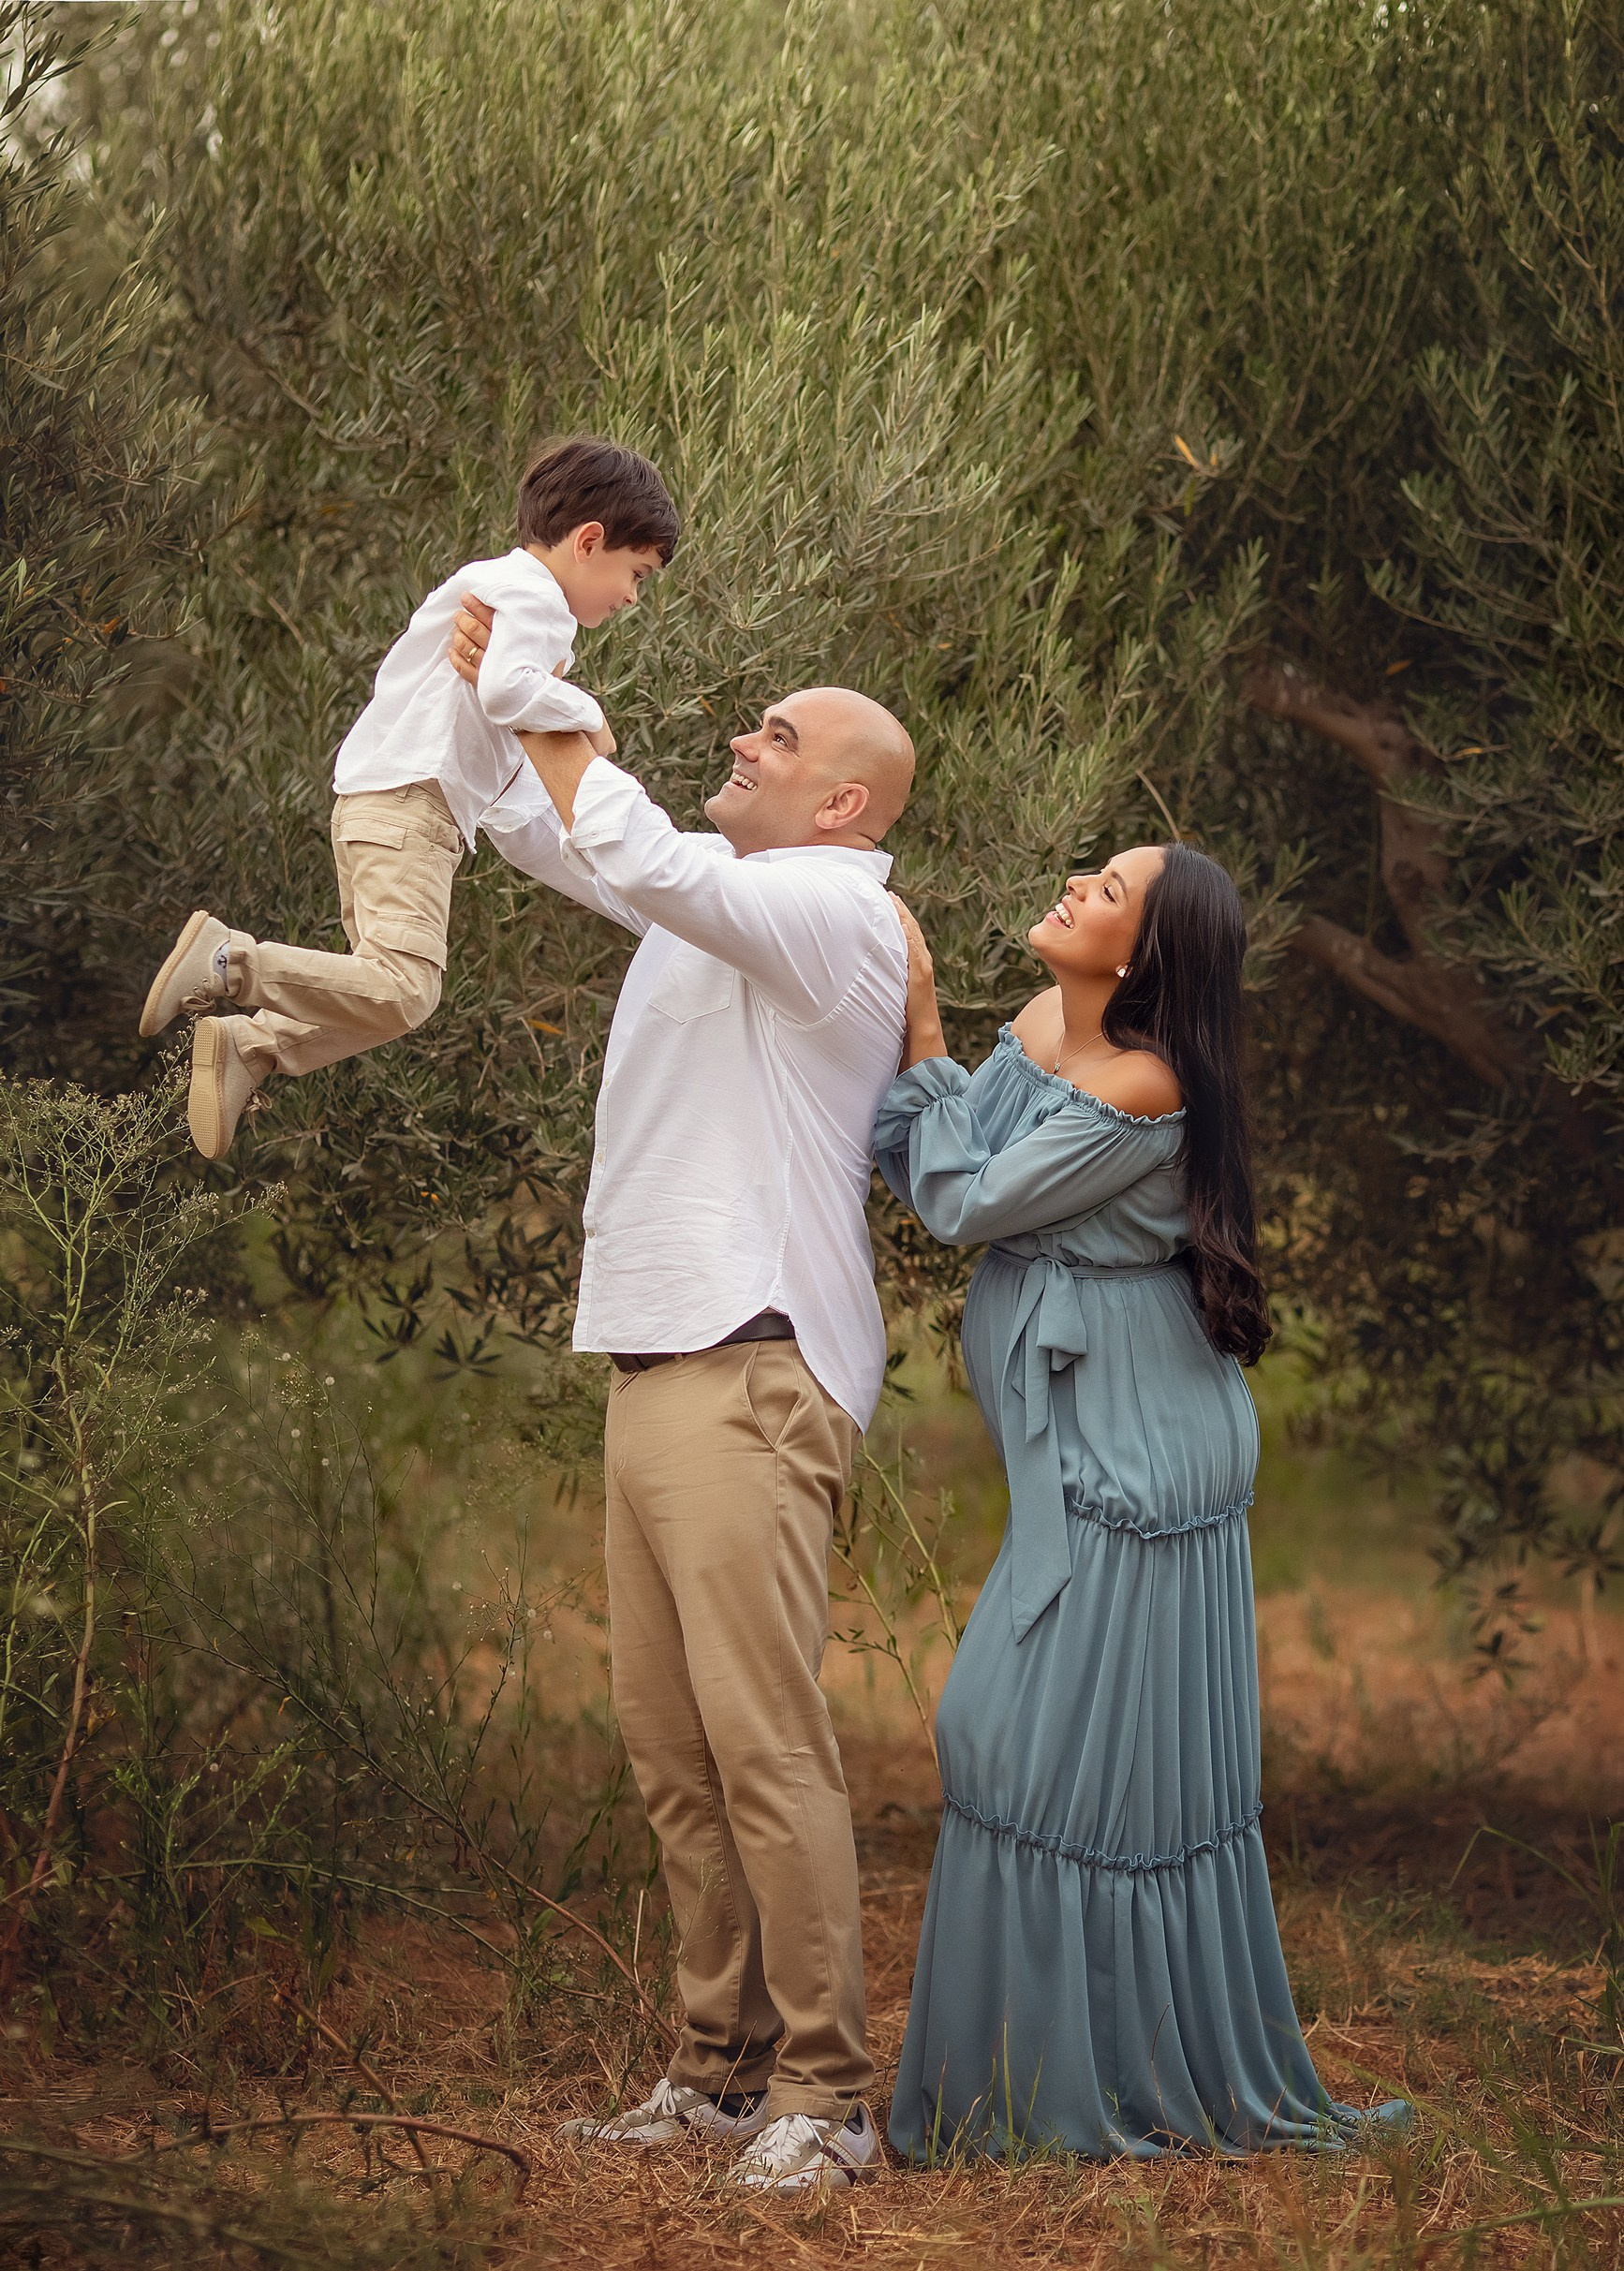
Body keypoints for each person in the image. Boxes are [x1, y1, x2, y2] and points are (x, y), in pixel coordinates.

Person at [451, 594, 913, 2195]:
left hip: (753, 1365)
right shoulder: (721, 902)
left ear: (841, 803)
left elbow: (637, 851)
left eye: (776, 735)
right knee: (673, 1755)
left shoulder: (831, 913)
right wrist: (482, 698)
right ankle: (719, 2073)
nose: (741, 738)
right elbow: (553, 832)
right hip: (654, 1360)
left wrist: (540, 682)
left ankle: (828, 2097)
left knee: (764, 1749)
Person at [877, 848, 1410, 2160]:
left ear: (1144, 953)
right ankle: (1029, 2084)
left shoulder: (1143, 1083)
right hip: (1087, 1442)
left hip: (1137, 1464)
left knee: (1023, 1747)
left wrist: (924, 1020)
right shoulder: (1044, 1024)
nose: (1073, 881)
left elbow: (964, 1195)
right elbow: (957, 1164)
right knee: (1045, 1761)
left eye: (1108, 887)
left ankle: (1079, 2089)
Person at [138, 436, 678, 1159]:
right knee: (407, 990)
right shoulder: (538, 600)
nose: (632, 597)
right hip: (412, 807)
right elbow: (505, 689)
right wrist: (589, 717)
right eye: (637, 573)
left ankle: (253, 1047)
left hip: (380, 803)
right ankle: (228, 962)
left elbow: (499, 741)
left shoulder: (496, 583)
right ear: (588, 541)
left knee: (383, 995)